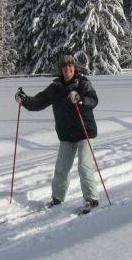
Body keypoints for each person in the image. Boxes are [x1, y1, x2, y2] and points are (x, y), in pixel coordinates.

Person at [15, 54, 100, 211]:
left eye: (70, 66)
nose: (68, 68)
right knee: (61, 168)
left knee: (84, 166)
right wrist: (25, 100)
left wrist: (80, 100)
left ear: (74, 67)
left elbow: (93, 100)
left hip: (84, 131)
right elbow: (39, 101)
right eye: (64, 66)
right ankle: (57, 198)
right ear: (61, 69)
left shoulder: (83, 83)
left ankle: (91, 199)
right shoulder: (56, 87)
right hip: (66, 135)